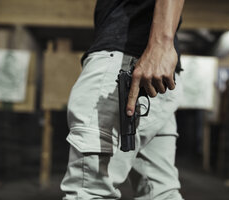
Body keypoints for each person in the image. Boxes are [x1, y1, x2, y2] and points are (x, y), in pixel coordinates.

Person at [61, 0, 185, 199]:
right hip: (149, 76)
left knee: (88, 190)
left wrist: (161, 45)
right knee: (160, 192)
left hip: (126, 67)